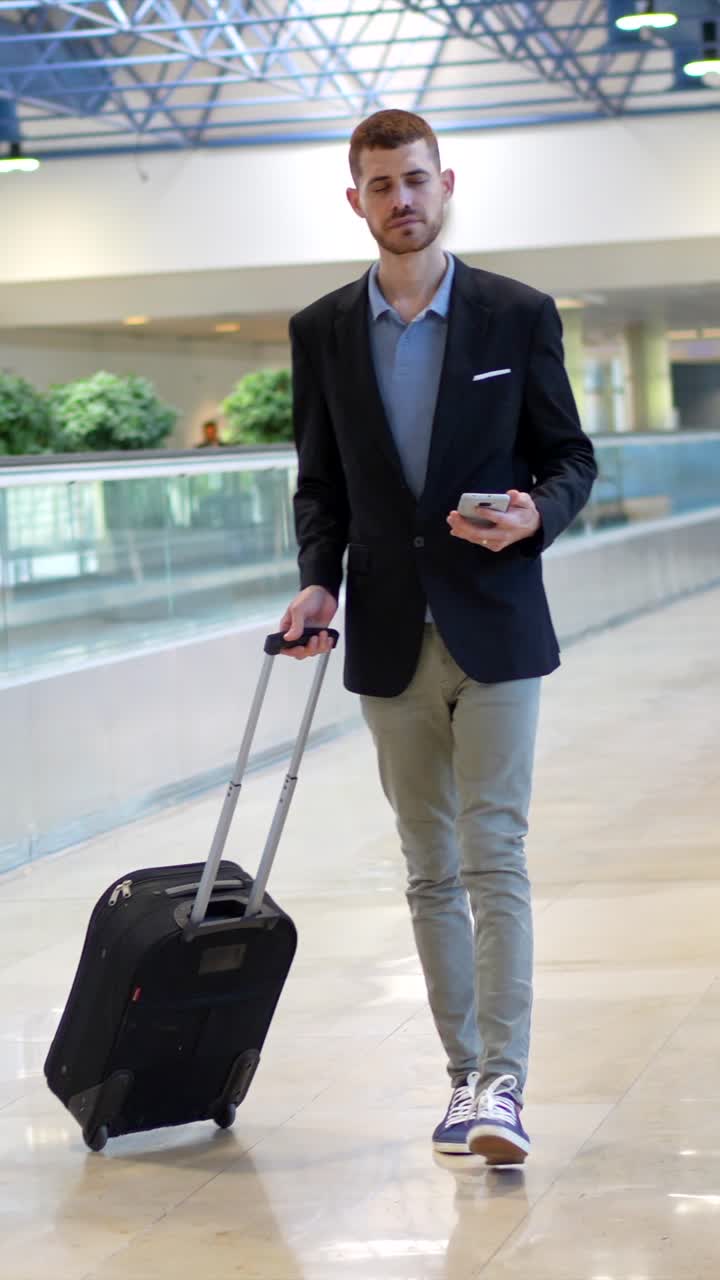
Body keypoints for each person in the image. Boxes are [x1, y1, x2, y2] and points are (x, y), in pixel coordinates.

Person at [278, 109, 597, 1165]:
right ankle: (463, 1078)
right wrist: (317, 585)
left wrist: (536, 514)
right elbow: (318, 485)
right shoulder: (321, 329)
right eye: (381, 185)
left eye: (415, 180)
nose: (401, 200)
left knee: (492, 852)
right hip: (384, 634)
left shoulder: (516, 313)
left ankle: (504, 1083)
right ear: (355, 198)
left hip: (496, 621)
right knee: (428, 865)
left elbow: (570, 456)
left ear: (445, 182)